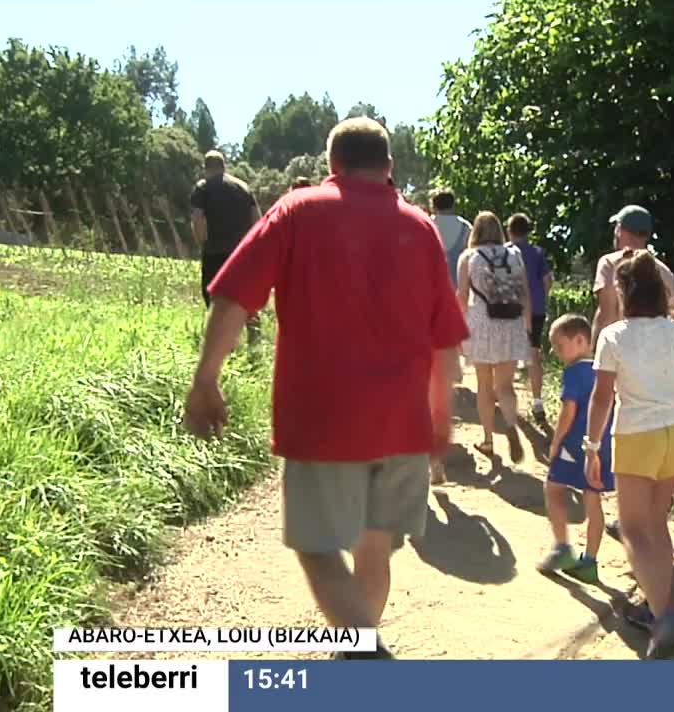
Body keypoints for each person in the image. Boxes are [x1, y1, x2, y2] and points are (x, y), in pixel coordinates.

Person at [183, 117, 468, 660]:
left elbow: (234, 297)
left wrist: (206, 379)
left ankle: (365, 655)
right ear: (389, 166)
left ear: (331, 164)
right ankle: (358, 653)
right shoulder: (419, 227)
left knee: (316, 547)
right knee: (374, 549)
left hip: (322, 419)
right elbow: (444, 342)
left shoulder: (298, 210)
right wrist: (440, 416)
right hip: (402, 425)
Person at [584, 250, 674, 659]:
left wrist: (591, 447)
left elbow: (601, 399)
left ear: (624, 291)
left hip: (637, 435)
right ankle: (658, 608)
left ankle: (664, 615)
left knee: (632, 529)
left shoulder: (613, 336)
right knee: (656, 522)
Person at [591, 204, 674, 542]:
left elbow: (605, 313)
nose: (615, 234)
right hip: (659, 365)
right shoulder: (664, 272)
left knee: (623, 433)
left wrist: (595, 358)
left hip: (621, 356)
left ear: (625, 231)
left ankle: (629, 516)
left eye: (617, 228)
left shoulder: (610, 264)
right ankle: (652, 513)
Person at [536, 313, 614, 584]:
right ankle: (589, 562)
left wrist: (556, 442)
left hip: (574, 444)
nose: (556, 353)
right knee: (593, 499)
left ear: (580, 340)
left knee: (554, 487)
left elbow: (568, 411)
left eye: (559, 346)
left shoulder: (574, 372)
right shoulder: (604, 369)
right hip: (602, 443)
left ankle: (562, 547)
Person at [457, 211, 531, 465]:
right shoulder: (514, 254)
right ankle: (510, 424)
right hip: (511, 322)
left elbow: (462, 296)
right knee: (505, 386)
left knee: (484, 385)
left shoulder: (469, 257)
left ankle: (488, 440)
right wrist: (527, 326)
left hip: (482, 323)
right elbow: (524, 293)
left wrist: (457, 327)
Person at [190, 150, 262, 345]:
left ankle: (223, 341)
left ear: (206, 168)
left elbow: (197, 219)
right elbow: (257, 219)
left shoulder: (203, 187)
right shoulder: (243, 187)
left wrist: (201, 242)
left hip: (215, 251)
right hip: (242, 252)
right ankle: (254, 335)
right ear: (224, 166)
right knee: (245, 294)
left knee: (213, 295)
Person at [591, 205, 674, 347]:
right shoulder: (665, 272)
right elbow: (672, 317)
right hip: (657, 349)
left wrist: (595, 351)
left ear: (619, 230)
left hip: (621, 347)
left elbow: (607, 316)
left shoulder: (609, 263)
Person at [506, 213, 554, 424]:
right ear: (528, 231)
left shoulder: (505, 252)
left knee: (507, 353)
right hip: (535, 309)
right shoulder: (537, 253)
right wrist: (541, 299)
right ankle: (537, 401)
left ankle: (506, 396)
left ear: (509, 230)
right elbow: (547, 280)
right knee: (534, 352)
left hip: (509, 308)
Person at [432, 189, 471, 287]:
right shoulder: (466, 227)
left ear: (434, 206)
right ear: (453, 205)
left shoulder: (426, 225)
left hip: (433, 285)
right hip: (459, 287)